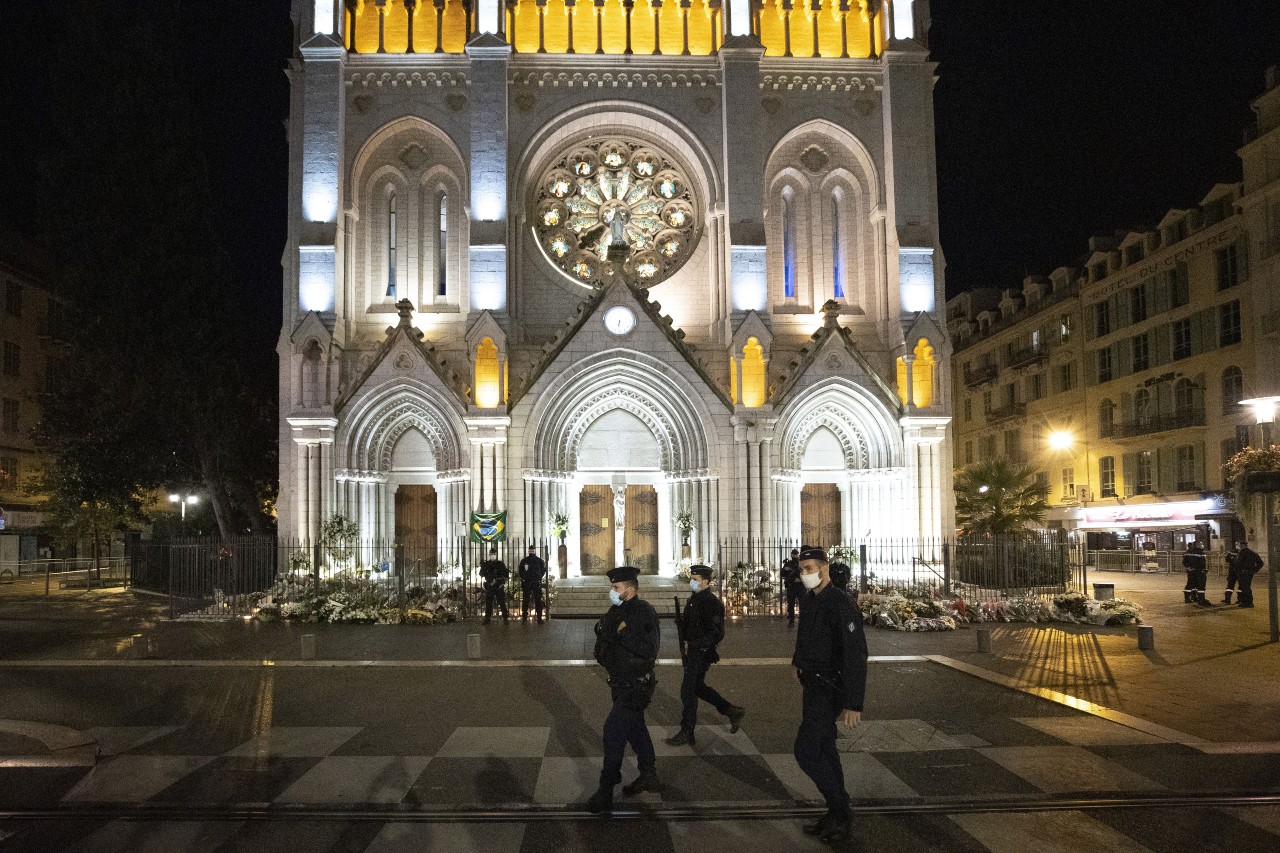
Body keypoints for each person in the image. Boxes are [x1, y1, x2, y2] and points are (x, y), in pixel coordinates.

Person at [791, 545, 868, 844]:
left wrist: (853, 702)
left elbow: (855, 654)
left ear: (824, 568)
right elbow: (807, 636)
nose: (805, 575)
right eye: (802, 570)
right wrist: (797, 662)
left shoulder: (841, 603)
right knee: (824, 750)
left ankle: (841, 811)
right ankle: (836, 812)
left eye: (809, 569)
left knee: (806, 751)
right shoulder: (811, 600)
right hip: (812, 684)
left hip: (829, 688)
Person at [581, 566, 662, 814]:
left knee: (613, 732)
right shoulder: (617, 609)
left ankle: (606, 790)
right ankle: (648, 774)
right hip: (619, 682)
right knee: (635, 729)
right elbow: (602, 632)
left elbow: (649, 649)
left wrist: (622, 634)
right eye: (612, 587)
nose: (612, 591)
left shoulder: (643, 611)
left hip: (634, 685)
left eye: (616, 588)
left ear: (630, 588)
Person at [666, 565, 745, 747]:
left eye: (696, 580)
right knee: (697, 688)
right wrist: (682, 625)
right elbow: (694, 625)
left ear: (707, 582)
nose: (692, 582)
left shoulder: (711, 602)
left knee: (688, 691)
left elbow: (716, 632)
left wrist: (698, 644)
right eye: (691, 579)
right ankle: (731, 710)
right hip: (694, 651)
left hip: (702, 653)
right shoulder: (695, 599)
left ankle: (687, 731)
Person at [518, 544, 548, 622]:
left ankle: (539, 617)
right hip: (527, 583)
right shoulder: (524, 561)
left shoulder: (539, 560)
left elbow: (543, 570)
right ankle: (524, 617)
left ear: (535, 551)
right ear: (528, 551)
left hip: (536, 582)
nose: (531, 552)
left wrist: (539, 577)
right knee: (525, 600)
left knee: (538, 600)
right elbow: (520, 571)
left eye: (532, 551)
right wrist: (524, 578)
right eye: (530, 551)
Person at [479, 548, 509, 624]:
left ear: (496, 555)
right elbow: (481, 574)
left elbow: (506, 574)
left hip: (498, 586)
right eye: (491, 554)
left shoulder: (500, 564)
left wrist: (499, 579)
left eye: (494, 554)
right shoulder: (486, 564)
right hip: (490, 586)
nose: (493, 556)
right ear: (489, 555)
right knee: (489, 603)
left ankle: (505, 618)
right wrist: (483, 567)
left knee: (502, 602)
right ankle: (487, 619)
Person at [1236, 542, 1265, 608]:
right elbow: (1260, 563)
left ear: (1242, 546)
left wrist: (1238, 570)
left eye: (1240, 546)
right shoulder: (1253, 553)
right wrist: (1254, 570)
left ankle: (1248, 602)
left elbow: (1238, 563)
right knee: (1244, 587)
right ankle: (1244, 601)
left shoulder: (1242, 553)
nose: (1239, 547)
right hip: (1248, 573)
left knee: (1245, 588)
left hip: (1243, 573)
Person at [1182, 541, 1208, 606]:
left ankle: (1188, 598)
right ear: (1197, 545)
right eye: (1201, 544)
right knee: (1200, 585)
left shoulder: (1188, 552)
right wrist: (1204, 569)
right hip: (1199, 571)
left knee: (1190, 584)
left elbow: (1184, 561)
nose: (1202, 545)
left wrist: (1188, 567)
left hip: (1191, 571)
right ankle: (1201, 599)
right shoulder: (1201, 553)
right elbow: (1202, 563)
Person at [781, 549, 803, 626]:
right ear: (791, 555)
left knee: (802, 604)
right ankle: (791, 620)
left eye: (796, 555)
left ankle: (802, 620)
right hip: (791, 586)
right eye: (793, 555)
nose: (795, 556)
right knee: (791, 604)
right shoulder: (788, 564)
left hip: (801, 586)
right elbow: (783, 575)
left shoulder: (802, 563)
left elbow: (806, 573)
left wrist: (800, 579)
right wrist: (785, 569)